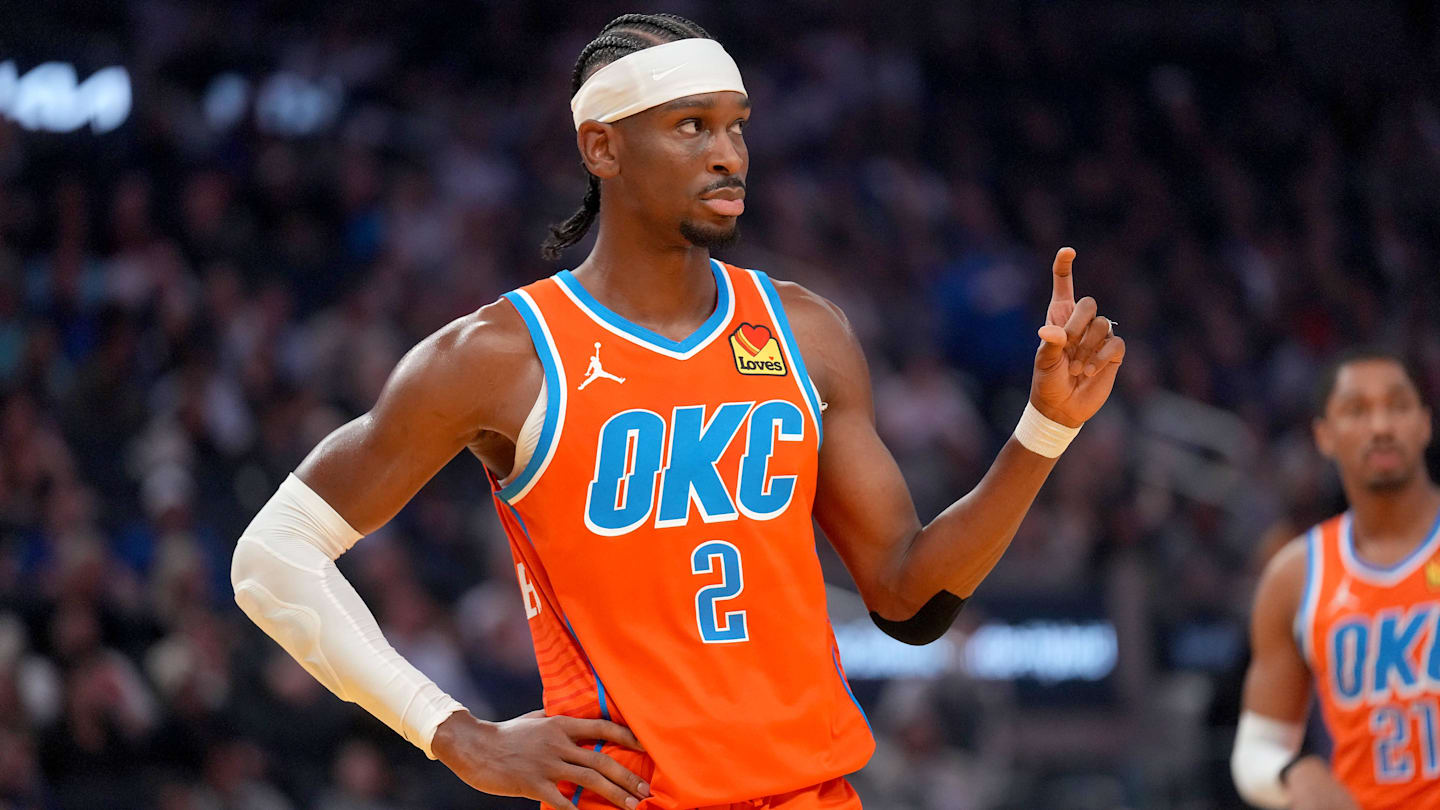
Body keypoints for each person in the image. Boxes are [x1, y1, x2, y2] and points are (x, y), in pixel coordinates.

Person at [229, 13, 1124, 810]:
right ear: (602, 148)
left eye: (737, 127)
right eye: (690, 127)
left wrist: (1043, 432)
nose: (728, 154)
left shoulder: (805, 330)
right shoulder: (497, 356)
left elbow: (908, 598)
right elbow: (272, 559)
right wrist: (456, 735)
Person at [1233, 350, 1440, 810]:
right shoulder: (1295, 575)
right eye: (1356, 411)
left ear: (1425, 424)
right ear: (1324, 436)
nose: (1381, 426)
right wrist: (1295, 773)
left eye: (1398, 406)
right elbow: (1255, 750)